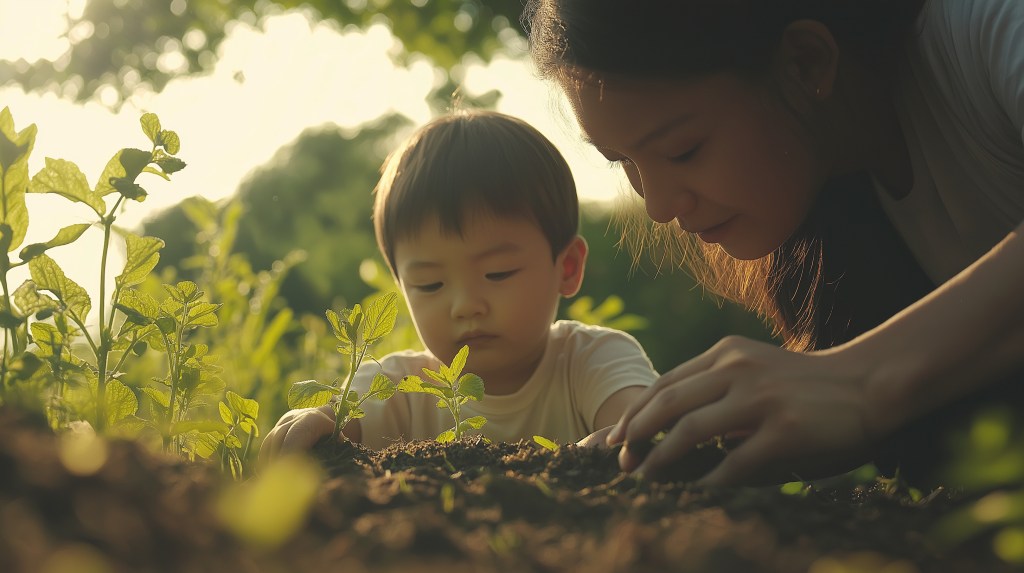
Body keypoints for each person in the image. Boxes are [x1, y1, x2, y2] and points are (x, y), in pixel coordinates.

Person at [524, 0, 1024, 486]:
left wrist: (860, 380)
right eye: (622, 161)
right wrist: (719, 440)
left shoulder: (992, 27)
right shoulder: (841, 194)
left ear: (805, 62)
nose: (657, 207)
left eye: (683, 151)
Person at [260, 110, 658, 459]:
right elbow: (332, 423)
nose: (465, 305)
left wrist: (620, 443)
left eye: (498, 273)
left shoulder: (593, 361)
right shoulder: (396, 389)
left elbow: (641, 431)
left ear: (567, 267)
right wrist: (313, 421)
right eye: (430, 284)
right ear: (402, 287)